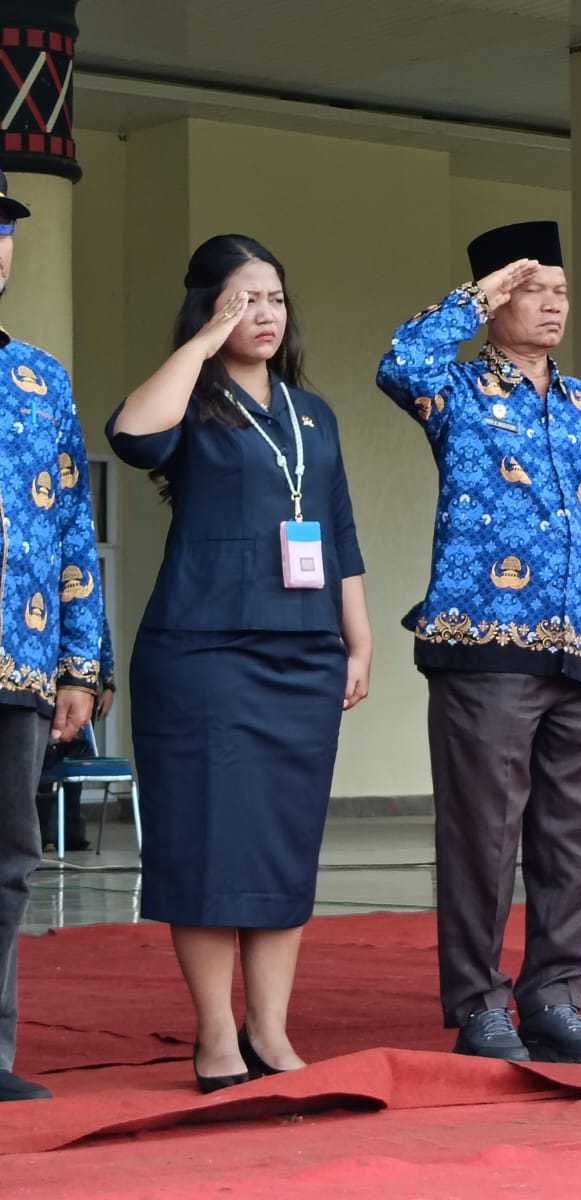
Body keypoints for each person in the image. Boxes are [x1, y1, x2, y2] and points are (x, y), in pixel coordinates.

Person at [377, 221, 581, 1065]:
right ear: (496, 300)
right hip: (486, 653)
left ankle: (555, 998)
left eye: (561, 291)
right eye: (535, 290)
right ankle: (479, 1006)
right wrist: (476, 296)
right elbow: (400, 363)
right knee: (483, 839)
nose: (554, 305)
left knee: (574, 840)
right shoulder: (456, 390)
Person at [109, 234, 373, 1091]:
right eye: (244, 299)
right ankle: (216, 1036)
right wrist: (201, 341)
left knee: (282, 847)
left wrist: (359, 637)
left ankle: (271, 1030)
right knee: (207, 844)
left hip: (304, 654)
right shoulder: (192, 398)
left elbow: (338, 530)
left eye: (275, 299)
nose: (265, 314)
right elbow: (131, 435)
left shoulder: (313, 413)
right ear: (210, 307)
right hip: (204, 652)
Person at [0, 170, 102, 1102]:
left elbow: (72, 527)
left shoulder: (40, 379)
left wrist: (80, 662)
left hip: (22, 662)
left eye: (2, 230)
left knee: (8, 860)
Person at [36, 613, 114, 853]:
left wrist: (109, 684)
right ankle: (40, 835)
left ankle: (71, 835)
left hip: (78, 683)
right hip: (42, 681)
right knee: (41, 768)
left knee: (74, 765)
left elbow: (100, 633)